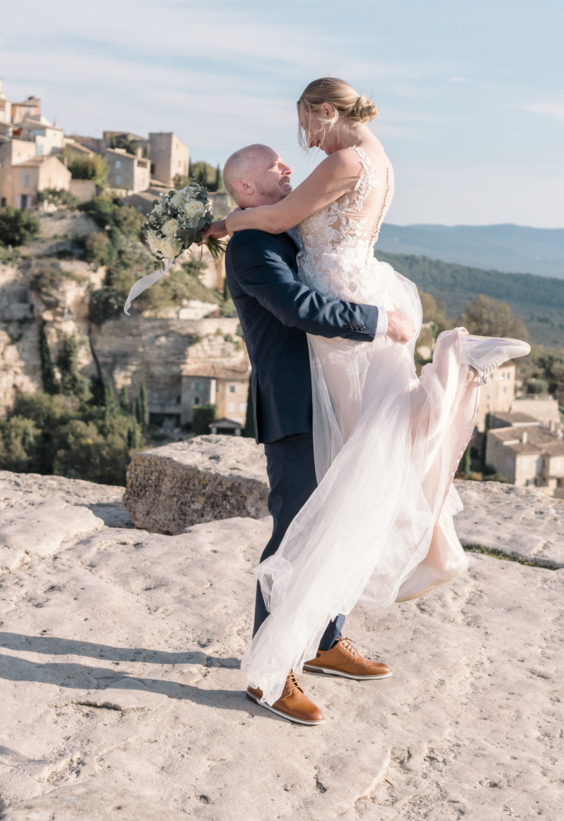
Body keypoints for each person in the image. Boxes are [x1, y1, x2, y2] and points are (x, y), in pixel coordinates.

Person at [206, 78, 530, 725]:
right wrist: (382, 324)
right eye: (272, 166)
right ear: (245, 191)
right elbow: (301, 306)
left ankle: (323, 642)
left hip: (340, 381)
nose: (288, 164)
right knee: (297, 531)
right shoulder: (252, 242)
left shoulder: (293, 221)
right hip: (299, 401)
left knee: (359, 499)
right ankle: (269, 676)